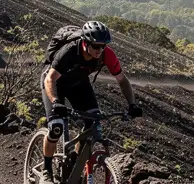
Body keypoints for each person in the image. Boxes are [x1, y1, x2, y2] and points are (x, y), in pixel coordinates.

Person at [39, 20, 143, 184]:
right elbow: (50, 79)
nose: (99, 50)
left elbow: (122, 80)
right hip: (54, 84)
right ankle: (47, 170)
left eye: (103, 46)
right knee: (56, 127)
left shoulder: (106, 54)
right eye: (95, 46)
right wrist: (56, 101)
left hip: (79, 84)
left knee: (93, 125)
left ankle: (74, 162)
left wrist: (132, 104)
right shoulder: (70, 51)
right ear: (85, 42)